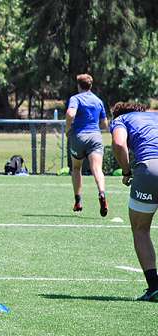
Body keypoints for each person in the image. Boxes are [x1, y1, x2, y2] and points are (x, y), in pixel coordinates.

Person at [110, 101, 158, 301]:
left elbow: (119, 143)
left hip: (149, 169)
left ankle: (155, 287)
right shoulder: (155, 116)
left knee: (140, 229)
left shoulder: (121, 119)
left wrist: (127, 170)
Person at [66, 73, 109, 216]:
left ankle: (78, 201)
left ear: (79, 86)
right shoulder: (98, 101)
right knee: (97, 168)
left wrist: (68, 130)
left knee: (76, 168)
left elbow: (70, 114)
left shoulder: (76, 98)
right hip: (95, 137)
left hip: (79, 137)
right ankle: (102, 193)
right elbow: (104, 124)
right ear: (90, 86)